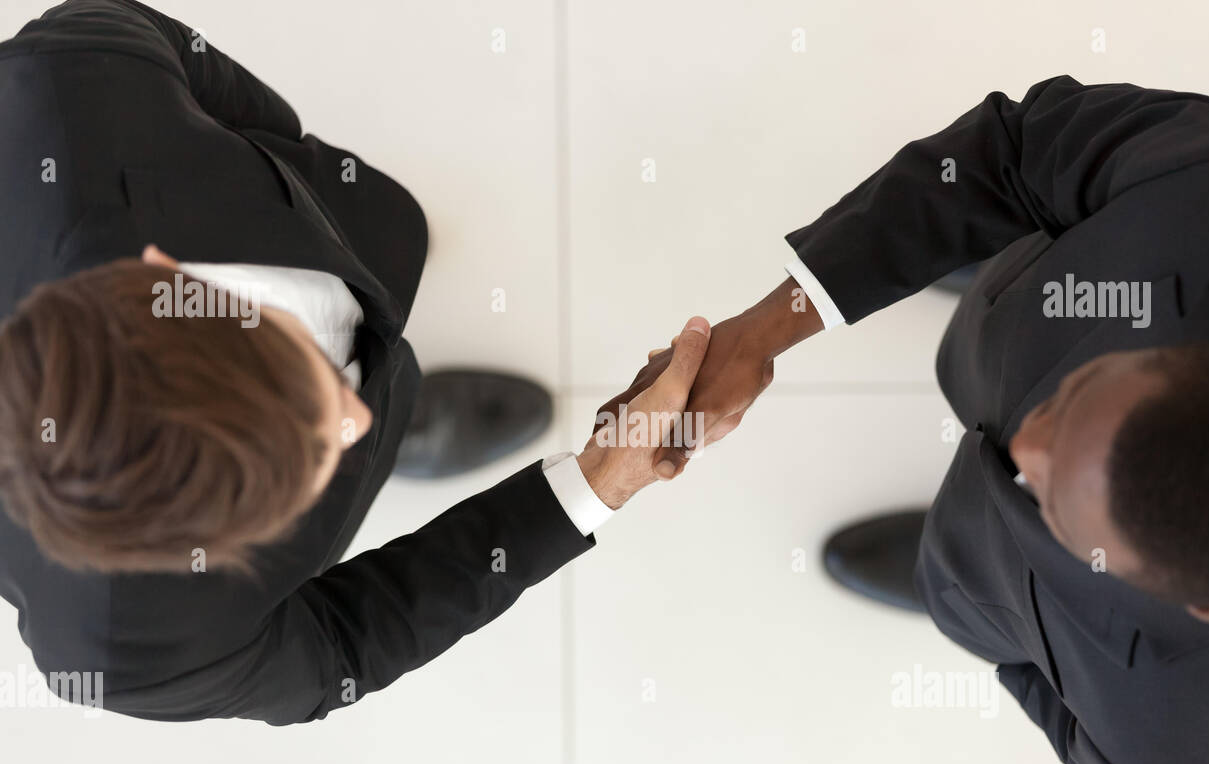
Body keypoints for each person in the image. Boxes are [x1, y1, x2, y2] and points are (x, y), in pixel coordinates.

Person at [603, 75, 1209, 764]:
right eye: (1074, 400)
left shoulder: (1200, 760)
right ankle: (1028, 245)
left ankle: (949, 574)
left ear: (1201, 603)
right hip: (1033, 309)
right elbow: (1013, 152)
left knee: (954, 592)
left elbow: (1038, 688)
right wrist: (770, 327)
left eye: (1059, 507)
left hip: (1002, 593)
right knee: (1012, 235)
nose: (1022, 450)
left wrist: (991, 605)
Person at [0, 0, 707, 724]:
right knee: (386, 406)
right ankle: (406, 418)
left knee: (392, 239)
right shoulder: (124, 652)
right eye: (300, 462)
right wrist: (597, 482)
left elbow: (182, 58)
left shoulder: (69, 88)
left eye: (300, 382)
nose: (350, 421)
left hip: (306, 220)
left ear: (164, 277)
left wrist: (281, 146)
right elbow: (346, 644)